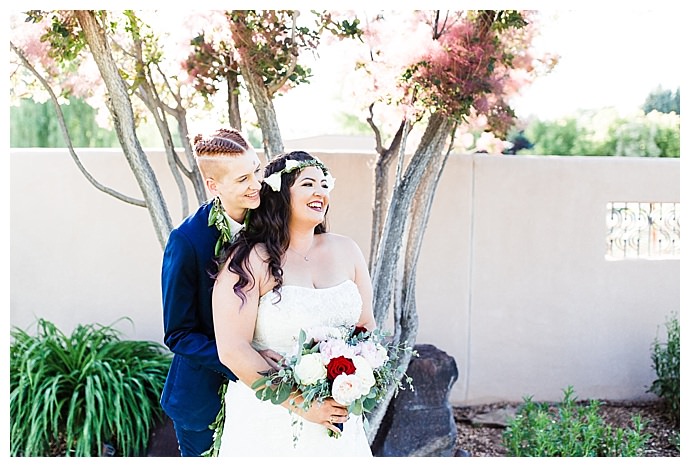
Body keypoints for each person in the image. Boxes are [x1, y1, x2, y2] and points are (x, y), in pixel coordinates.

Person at [212, 151, 376, 456]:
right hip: (268, 418)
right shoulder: (249, 260)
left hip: (338, 414)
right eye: (308, 184)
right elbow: (233, 349)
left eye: (325, 185)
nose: (320, 192)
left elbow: (367, 327)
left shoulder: (348, 251)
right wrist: (303, 405)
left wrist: (354, 378)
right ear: (280, 193)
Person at [160, 128, 281, 457]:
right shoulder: (186, 242)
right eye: (243, 179)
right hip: (202, 400)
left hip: (267, 400)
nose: (256, 184)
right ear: (214, 186)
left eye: (256, 170)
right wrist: (243, 362)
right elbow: (179, 334)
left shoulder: (271, 218)